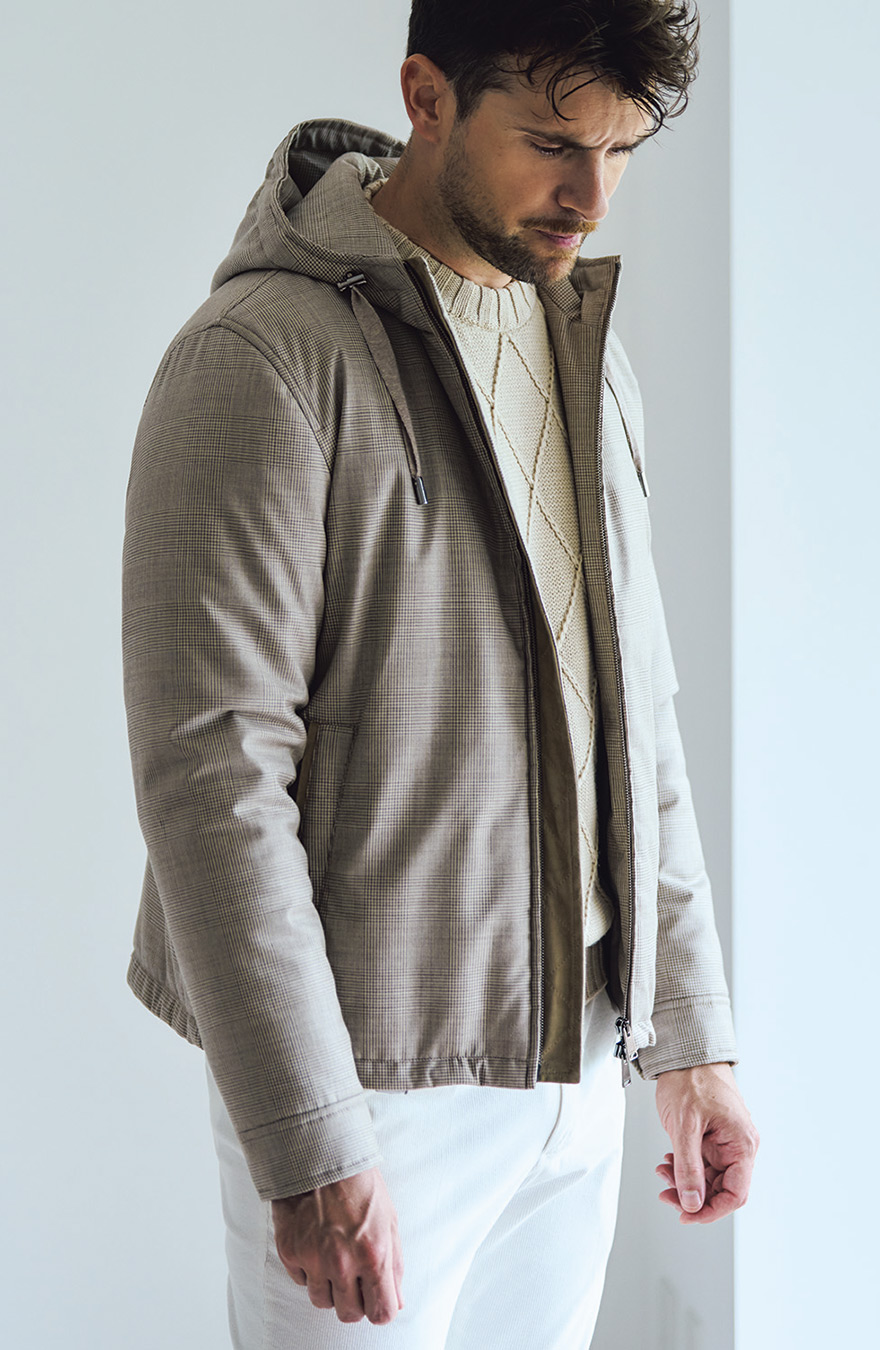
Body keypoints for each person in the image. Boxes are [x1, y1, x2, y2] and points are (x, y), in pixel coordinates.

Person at [122, 2, 759, 1346]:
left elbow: (636, 712)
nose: (592, 196)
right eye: (552, 144)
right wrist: (306, 1131)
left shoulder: (584, 351)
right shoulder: (261, 360)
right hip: (374, 1089)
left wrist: (691, 1033)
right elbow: (211, 774)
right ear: (426, 96)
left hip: (579, 1067)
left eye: (623, 151)